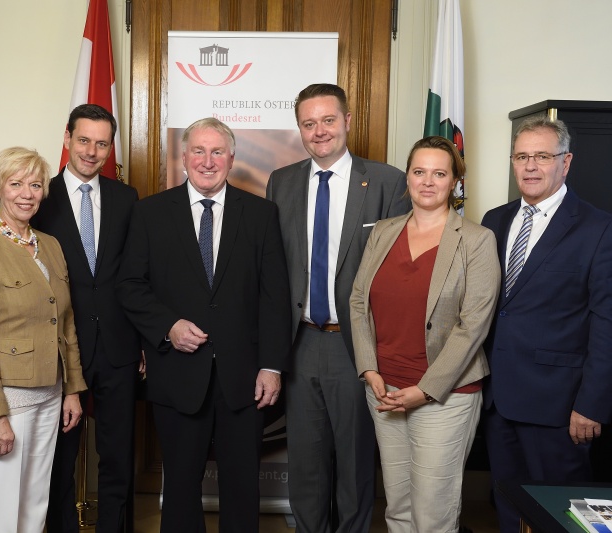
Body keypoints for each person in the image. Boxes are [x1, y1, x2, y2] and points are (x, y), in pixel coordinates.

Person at [116, 117, 292, 532]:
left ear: (232, 159)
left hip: (244, 379)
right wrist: (167, 325)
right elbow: (129, 285)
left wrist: (272, 366)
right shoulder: (150, 213)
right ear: (183, 157)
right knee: (179, 486)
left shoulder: (261, 214)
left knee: (242, 487)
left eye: (217, 152)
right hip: (176, 374)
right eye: (198, 151)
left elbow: (275, 298)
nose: (207, 161)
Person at [265, 83, 409, 533]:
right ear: (299, 130)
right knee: (305, 464)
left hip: (358, 347)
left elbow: (399, 272)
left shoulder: (386, 181)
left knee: (353, 462)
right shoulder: (282, 181)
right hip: (301, 341)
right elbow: (271, 270)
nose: (319, 131)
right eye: (309, 123)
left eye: (328, 120)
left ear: (347, 121)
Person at [349, 136, 500, 532]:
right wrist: (368, 370)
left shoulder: (477, 240)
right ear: (408, 178)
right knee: (397, 507)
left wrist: (426, 389)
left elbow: (474, 325)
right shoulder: (384, 230)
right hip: (384, 390)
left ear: (454, 182)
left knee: (432, 514)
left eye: (439, 173)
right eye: (419, 172)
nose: (427, 182)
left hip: (443, 397)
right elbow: (359, 301)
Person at [481, 116, 612, 533]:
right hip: (497, 398)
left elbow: (607, 323)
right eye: (522, 156)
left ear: (566, 162)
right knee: (507, 505)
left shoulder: (598, 228)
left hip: (560, 407)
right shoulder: (495, 221)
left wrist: (591, 404)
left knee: (560, 514)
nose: (530, 166)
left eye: (542, 156)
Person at [0, 147, 87, 533]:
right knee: (0, 509)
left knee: (34, 504)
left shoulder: (50, 245)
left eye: (35, 184)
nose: (26, 193)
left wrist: (73, 390)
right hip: (6, 402)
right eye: (16, 184)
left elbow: (65, 326)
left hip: (50, 394)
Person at [32, 103, 141, 533]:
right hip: (61, 350)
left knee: (118, 455)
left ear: (110, 147)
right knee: (60, 456)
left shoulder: (127, 198)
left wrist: (143, 343)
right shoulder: (39, 197)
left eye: (101, 143)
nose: (91, 152)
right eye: (83, 140)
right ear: (67, 139)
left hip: (118, 347)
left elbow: (137, 275)